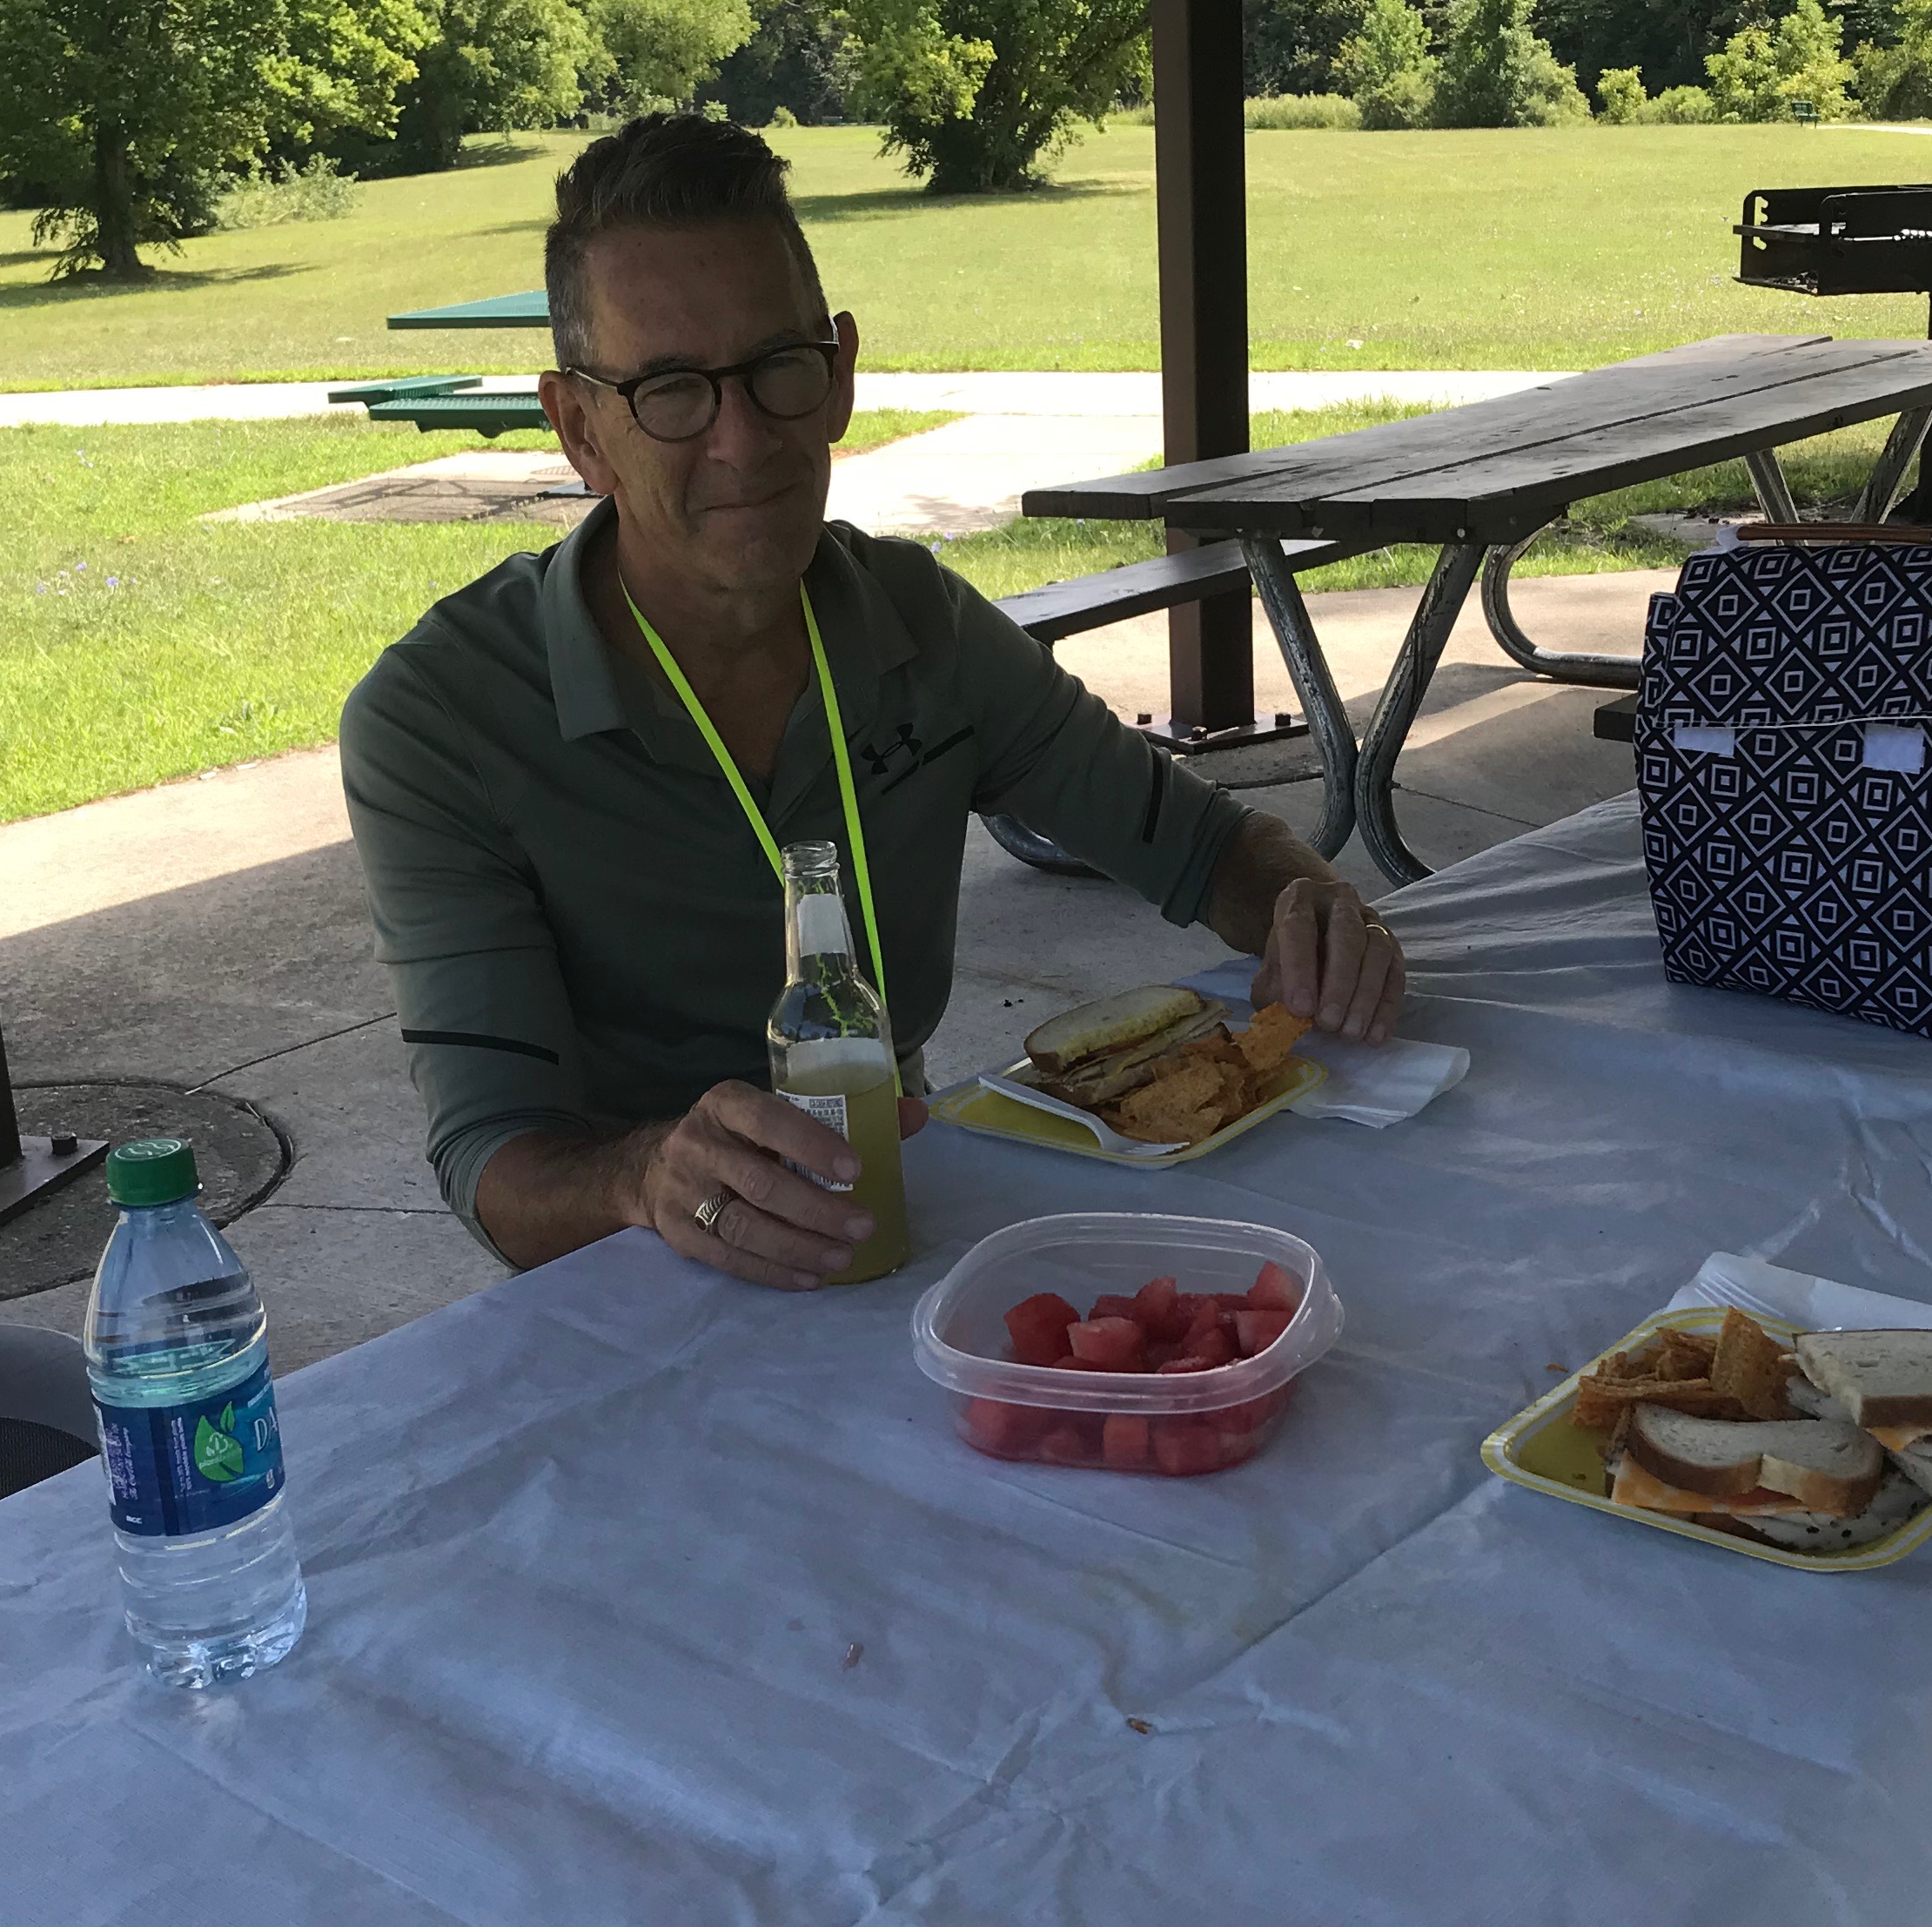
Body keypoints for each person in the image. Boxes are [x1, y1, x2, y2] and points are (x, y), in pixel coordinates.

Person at [340, 113, 1406, 1291]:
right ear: (578, 428)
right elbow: (493, 1162)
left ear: (840, 372)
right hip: (635, 1287)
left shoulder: (918, 624)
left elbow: (1205, 848)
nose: (745, 442)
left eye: (778, 367)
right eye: (672, 391)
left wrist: (1310, 907)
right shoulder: (441, 717)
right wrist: (645, 1175)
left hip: (898, 1227)